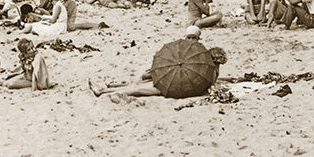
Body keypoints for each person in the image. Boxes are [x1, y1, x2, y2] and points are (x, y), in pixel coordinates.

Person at [89, 35, 227, 99]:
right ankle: (103, 90)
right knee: (136, 88)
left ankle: (103, 91)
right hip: (172, 87)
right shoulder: (209, 73)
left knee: (135, 87)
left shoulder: (202, 66)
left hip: (167, 83)